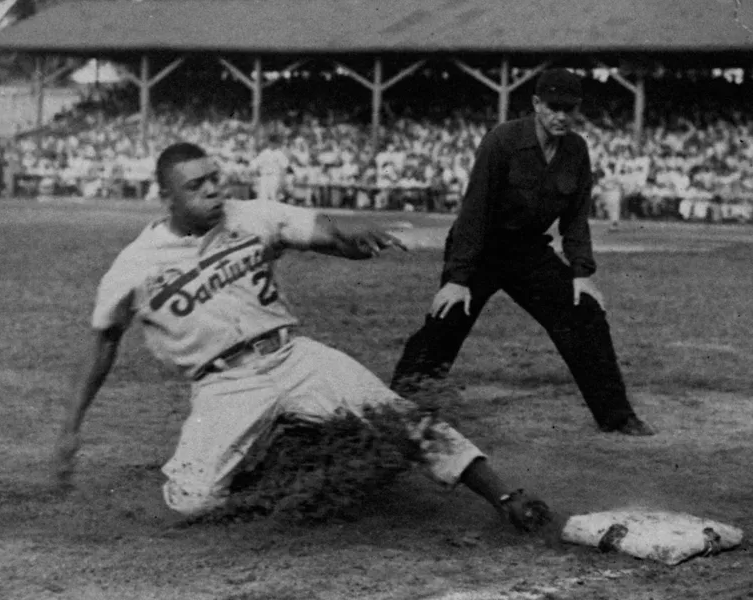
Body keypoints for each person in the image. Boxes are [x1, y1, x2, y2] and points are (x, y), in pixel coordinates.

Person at [52, 142, 557, 535]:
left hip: (293, 356)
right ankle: (282, 452)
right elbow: (102, 343)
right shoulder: (134, 266)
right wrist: (72, 427)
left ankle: (505, 496)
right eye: (197, 186)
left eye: (215, 179)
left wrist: (351, 241)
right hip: (224, 385)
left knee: (398, 415)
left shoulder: (250, 215)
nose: (213, 191)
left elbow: (317, 228)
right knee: (194, 503)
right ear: (166, 198)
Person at [390, 69, 653, 437]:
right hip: (482, 248)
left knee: (585, 313)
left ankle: (617, 415)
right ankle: (399, 410)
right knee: (446, 320)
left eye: (569, 109)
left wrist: (582, 273)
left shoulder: (576, 149)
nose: (561, 116)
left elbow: (575, 217)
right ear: (536, 104)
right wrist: (456, 279)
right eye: (553, 107)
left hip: (528, 251)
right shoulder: (502, 141)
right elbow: (474, 211)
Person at [250, 133, 289, 202]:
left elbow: (284, 167)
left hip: (274, 177)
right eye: (272, 142)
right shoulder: (264, 152)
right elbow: (255, 164)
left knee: (274, 197)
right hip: (264, 176)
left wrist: (283, 180)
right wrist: (255, 174)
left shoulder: (280, 153)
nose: (274, 144)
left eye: (276, 143)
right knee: (262, 197)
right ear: (269, 142)